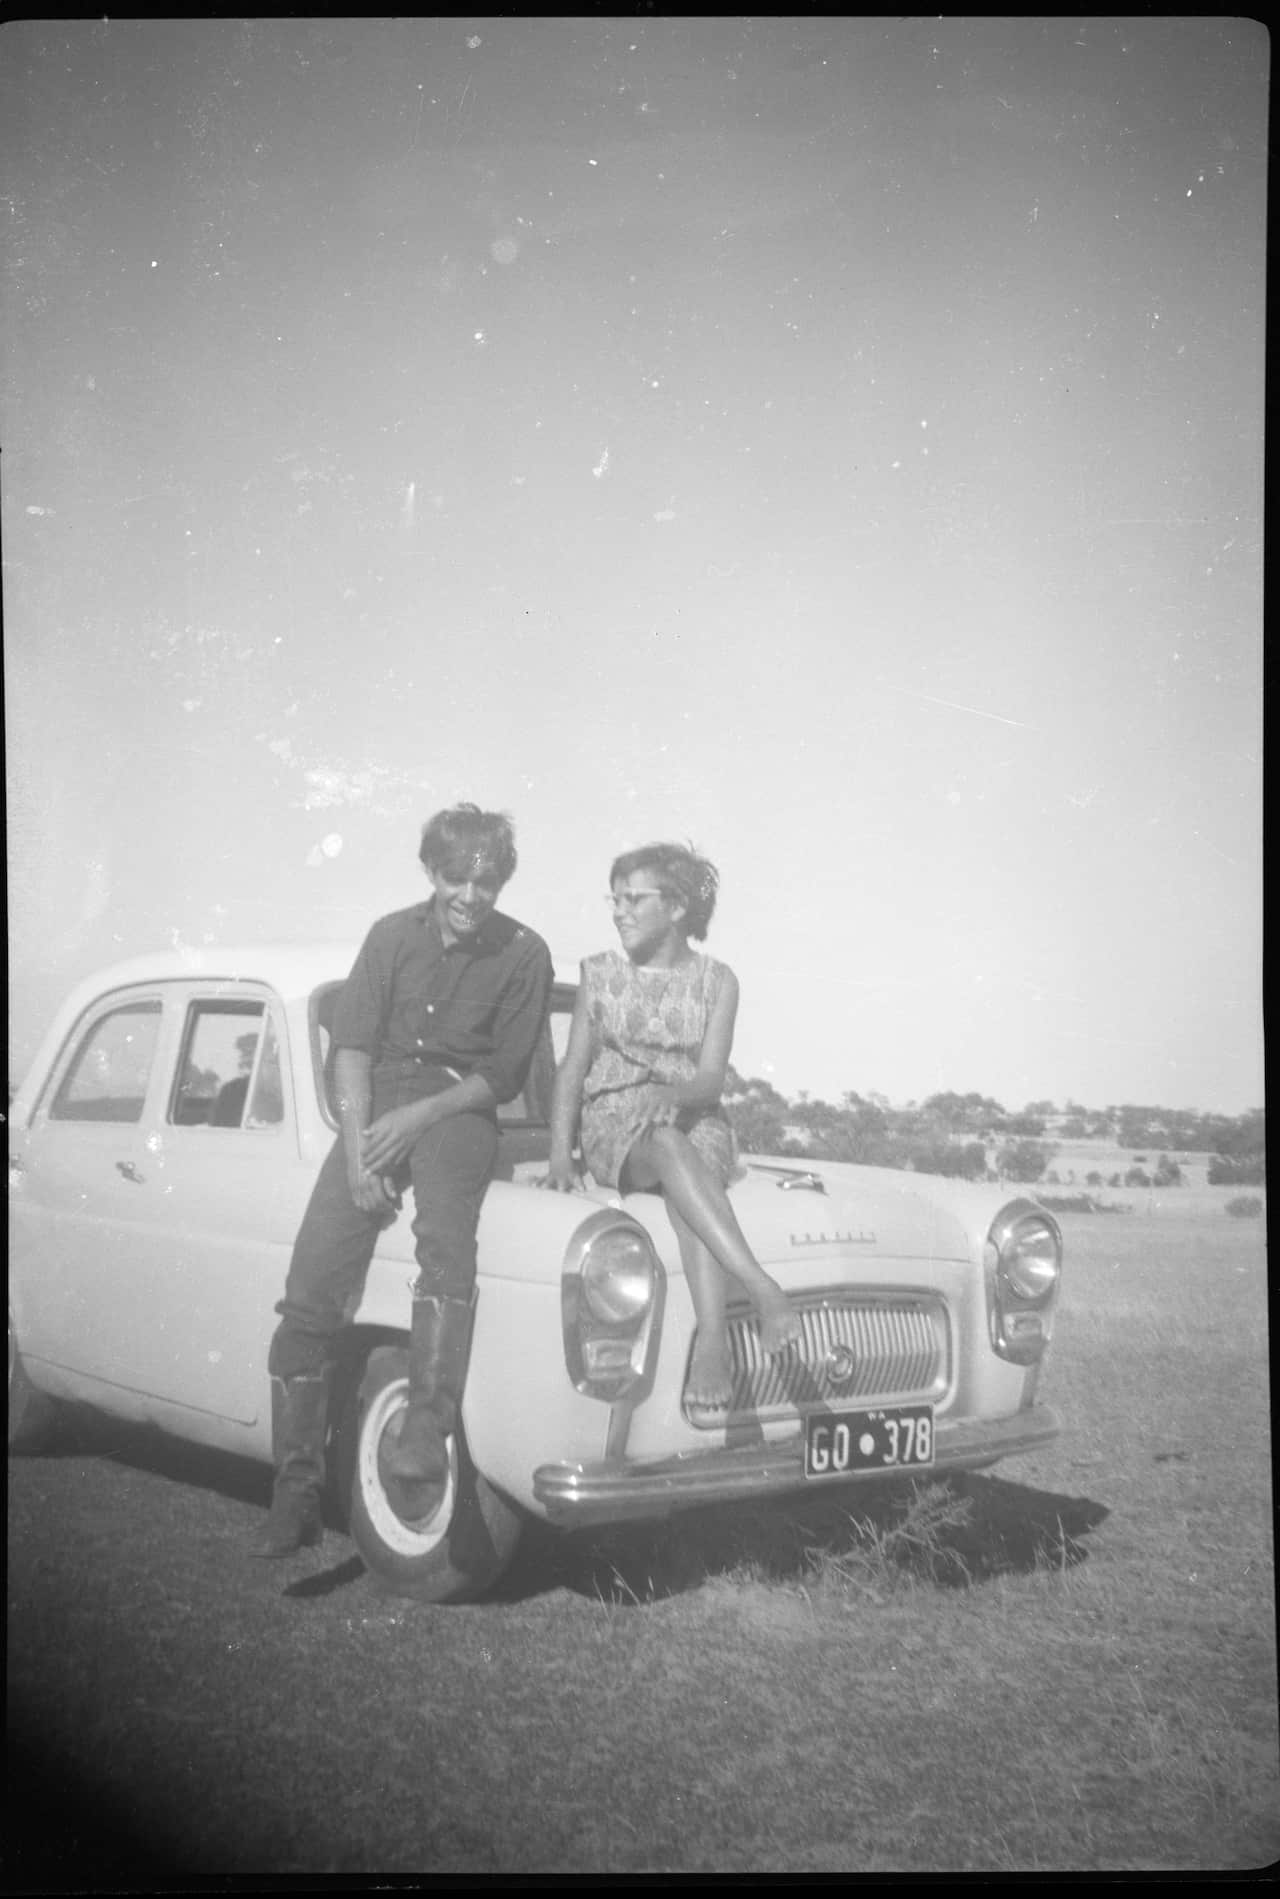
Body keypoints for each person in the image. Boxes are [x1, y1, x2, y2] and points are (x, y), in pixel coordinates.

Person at [249, 803, 553, 1558]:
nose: (472, 896)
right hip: (374, 1106)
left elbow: (501, 1075)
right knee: (312, 1283)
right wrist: (357, 1155)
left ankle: (425, 1428)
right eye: (458, 878)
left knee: (447, 1241)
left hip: (457, 1108)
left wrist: (416, 1121)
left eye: (488, 882)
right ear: (432, 872)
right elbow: (350, 1047)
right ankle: (293, 1487)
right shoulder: (389, 936)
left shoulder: (525, 952)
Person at [539, 843, 801, 1422]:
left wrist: (673, 1096)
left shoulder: (719, 981)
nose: (620, 911)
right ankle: (759, 1288)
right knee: (665, 1146)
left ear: (678, 906)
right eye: (616, 899)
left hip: (694, 1116)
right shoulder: (599, 974)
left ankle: (712, 1343)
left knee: (686, 1173)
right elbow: (573, 1069)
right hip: (616, 1123)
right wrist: (561, 1154)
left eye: (635, 899)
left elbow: (709, 1080)